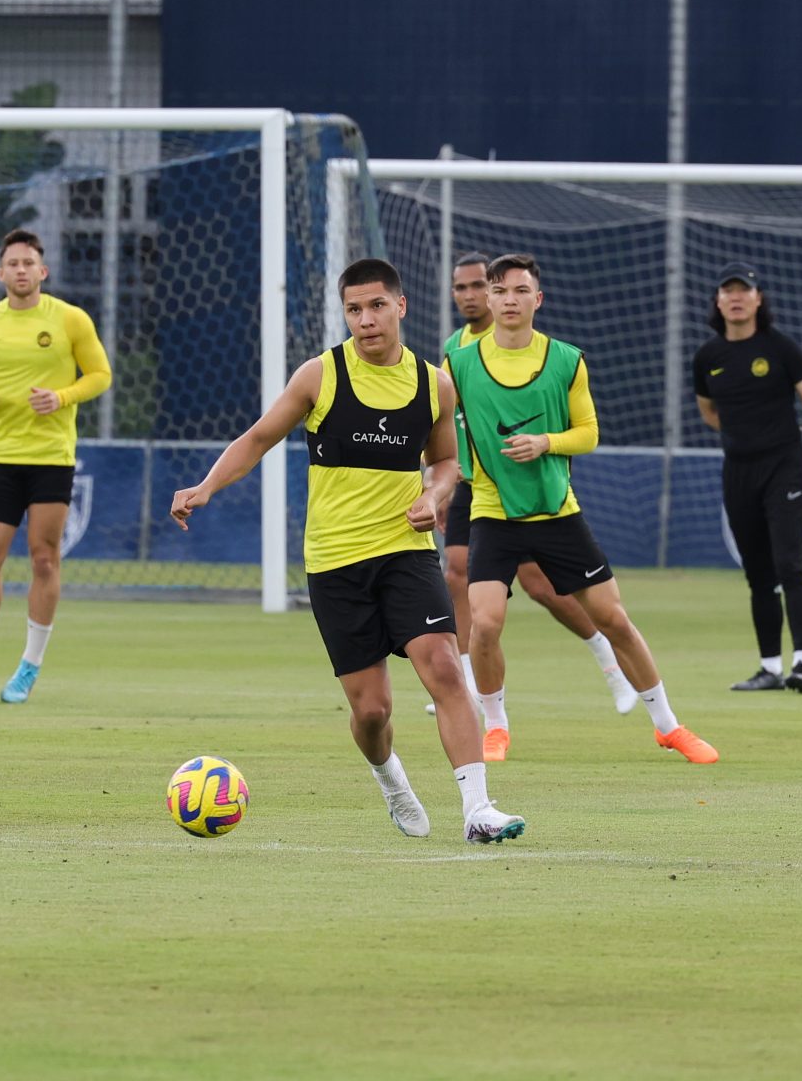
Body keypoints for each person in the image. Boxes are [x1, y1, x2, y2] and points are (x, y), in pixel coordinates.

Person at [172, 257, 525, 844]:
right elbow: (259, 437)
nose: (366, 320)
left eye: (376, 306)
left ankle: (477, 809)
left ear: (401, 306)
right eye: (354, 309)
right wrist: (205, 487)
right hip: (335, 564)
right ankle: (390, 781)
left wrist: (434, 497)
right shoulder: (320, 375)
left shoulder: (432, 382)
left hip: (405, 553)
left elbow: (445, 463)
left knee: (442, 665)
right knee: (372, 712)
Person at [449, 254, 718, 767]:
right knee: (484, 625)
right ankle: (496, 727)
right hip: (492, 513)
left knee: (614, 620)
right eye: (499, 290)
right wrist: (446, 471)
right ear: (488, 298)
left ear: (537, 299)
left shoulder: (567, 360)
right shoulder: (457, 363)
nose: (509, 299)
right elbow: (439, 422)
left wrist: (546, 442)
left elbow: (588, 433)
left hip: (558, 514)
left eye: (520, 291)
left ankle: (668, 726)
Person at [439, 251, 638, 719]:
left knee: (542, 587)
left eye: (476, 285)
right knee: (456, 570)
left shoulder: (537, 348)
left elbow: (578, 425)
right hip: (476, 481)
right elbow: (447, 421)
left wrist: (545, 443)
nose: (470, 295)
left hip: (524, 481)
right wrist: (441, 481)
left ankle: (608, 660)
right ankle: (471, 680)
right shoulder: (457, 348)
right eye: (462, 288)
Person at [0, 228, 112, 704]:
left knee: (44, 558)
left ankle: (29, 666)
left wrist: (61, 397)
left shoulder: (69, 319)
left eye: (29, 263)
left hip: (51, 458)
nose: (21, 270)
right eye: (13, 264)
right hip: (0, 454)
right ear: (1, 274)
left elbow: (100, 374)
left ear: (43, 271)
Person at [691, 263, 802, 692]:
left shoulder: (781, 348)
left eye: (745, 290)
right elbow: (709, 411)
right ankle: (769, 668)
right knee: (758, 573)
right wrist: (741, 431)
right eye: (728, 291)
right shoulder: (708, 356)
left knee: (789, 562)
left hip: (785, 465)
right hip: (737, 470)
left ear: (758, 299)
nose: (736, 297)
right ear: (719, 301)